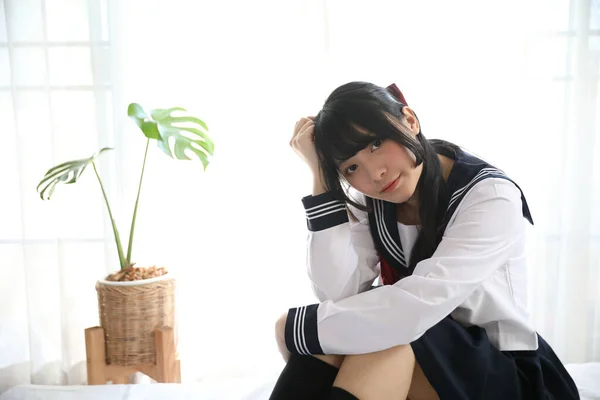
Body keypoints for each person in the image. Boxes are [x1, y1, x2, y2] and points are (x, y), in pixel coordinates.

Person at [268, 81, 580, 400]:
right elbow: (338, 294)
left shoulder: (491, 197)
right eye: (351, 166)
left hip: (504, 370)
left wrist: (294, 327)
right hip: (423, 349)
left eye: (376, 143)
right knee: (362, 337)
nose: (374, 173)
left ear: (410, 121)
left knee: (385, 338)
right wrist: (321, 178)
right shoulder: (375, 199)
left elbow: (416, 308)